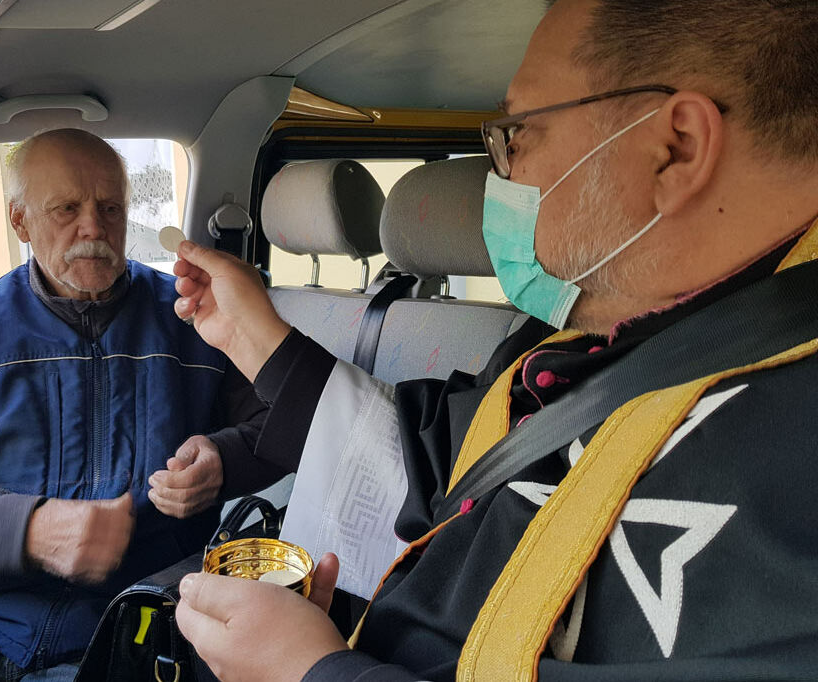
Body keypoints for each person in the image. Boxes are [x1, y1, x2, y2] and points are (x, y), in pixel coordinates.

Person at [166, 0, 818, 680]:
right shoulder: (566, 349)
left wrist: (310, 671)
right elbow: (439, 469)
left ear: (674, 148)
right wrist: (249, 332)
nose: (499, 174)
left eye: (517, 133)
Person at [0, 129, 278, 681]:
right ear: (20, 221)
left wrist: (223, 460)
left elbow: (281, 424)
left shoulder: (193, 320)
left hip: (125, 622)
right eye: (66, 208)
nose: (93, 228)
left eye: (110, 207)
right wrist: (29, 529)